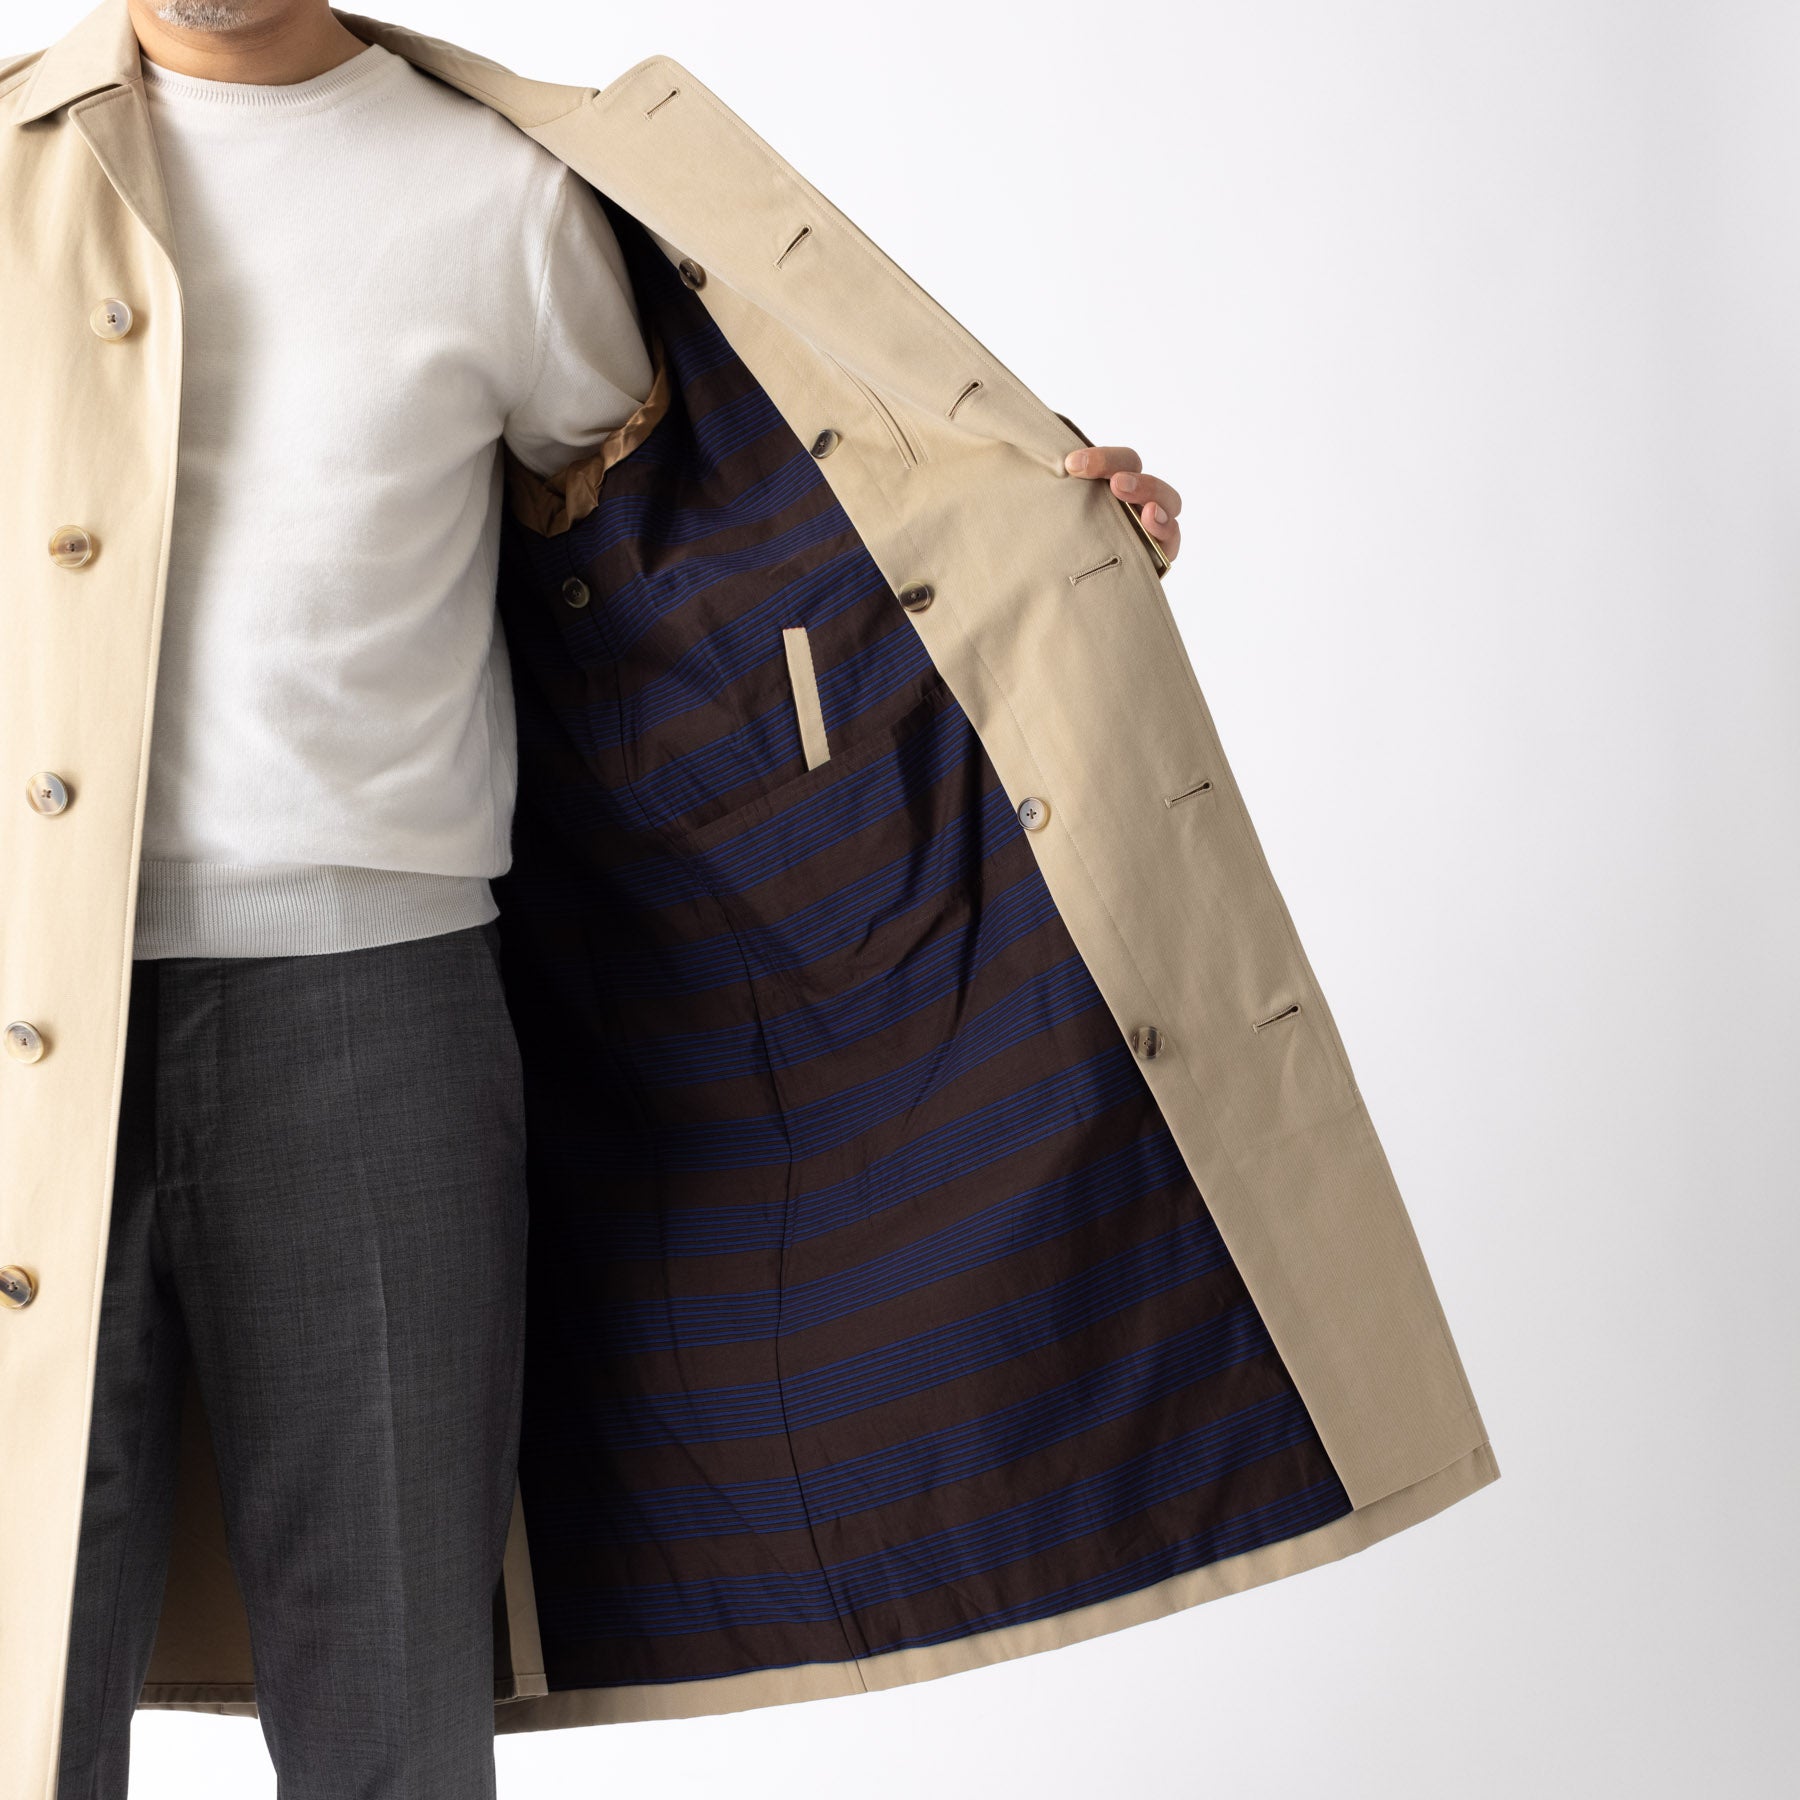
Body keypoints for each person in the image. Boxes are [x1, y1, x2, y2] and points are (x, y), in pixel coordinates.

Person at [52, 4, 1186, 1793]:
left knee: (393, 1691)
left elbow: (721, 519)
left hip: (374, 1018)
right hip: (30, 1001)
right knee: (18, 1686)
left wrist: (1027, 534)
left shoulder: (496, 196)